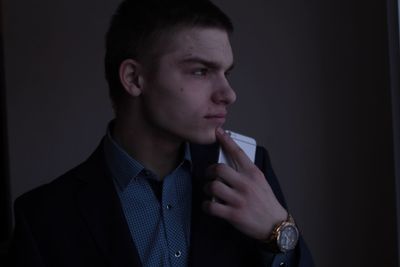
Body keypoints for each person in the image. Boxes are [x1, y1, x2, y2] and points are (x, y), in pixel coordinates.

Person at [9, 0, 314, 266]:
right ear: (134, 78)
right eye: (200, 71)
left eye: (226, 72)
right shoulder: (43, 218)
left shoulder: (248, 170)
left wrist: (276, 232)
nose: (229, 93)